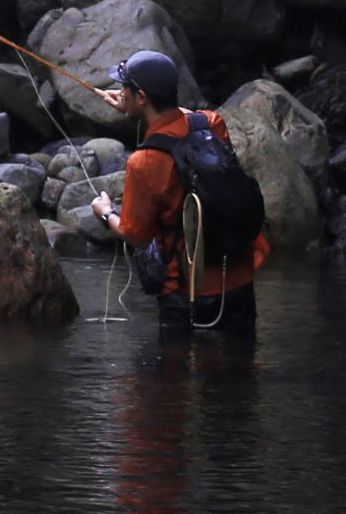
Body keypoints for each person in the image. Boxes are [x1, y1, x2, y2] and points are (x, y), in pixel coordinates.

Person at [89, 50, 270, 334]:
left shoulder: (144, 162)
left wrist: (106, 213)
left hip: (186, 291)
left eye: (125, 87)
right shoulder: (212, 123)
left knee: (176, 375)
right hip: (237, 277)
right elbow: (183, 122)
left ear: (142, 97)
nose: (120, 91)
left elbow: (135, 234)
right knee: (239, 371)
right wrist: (134, 108)